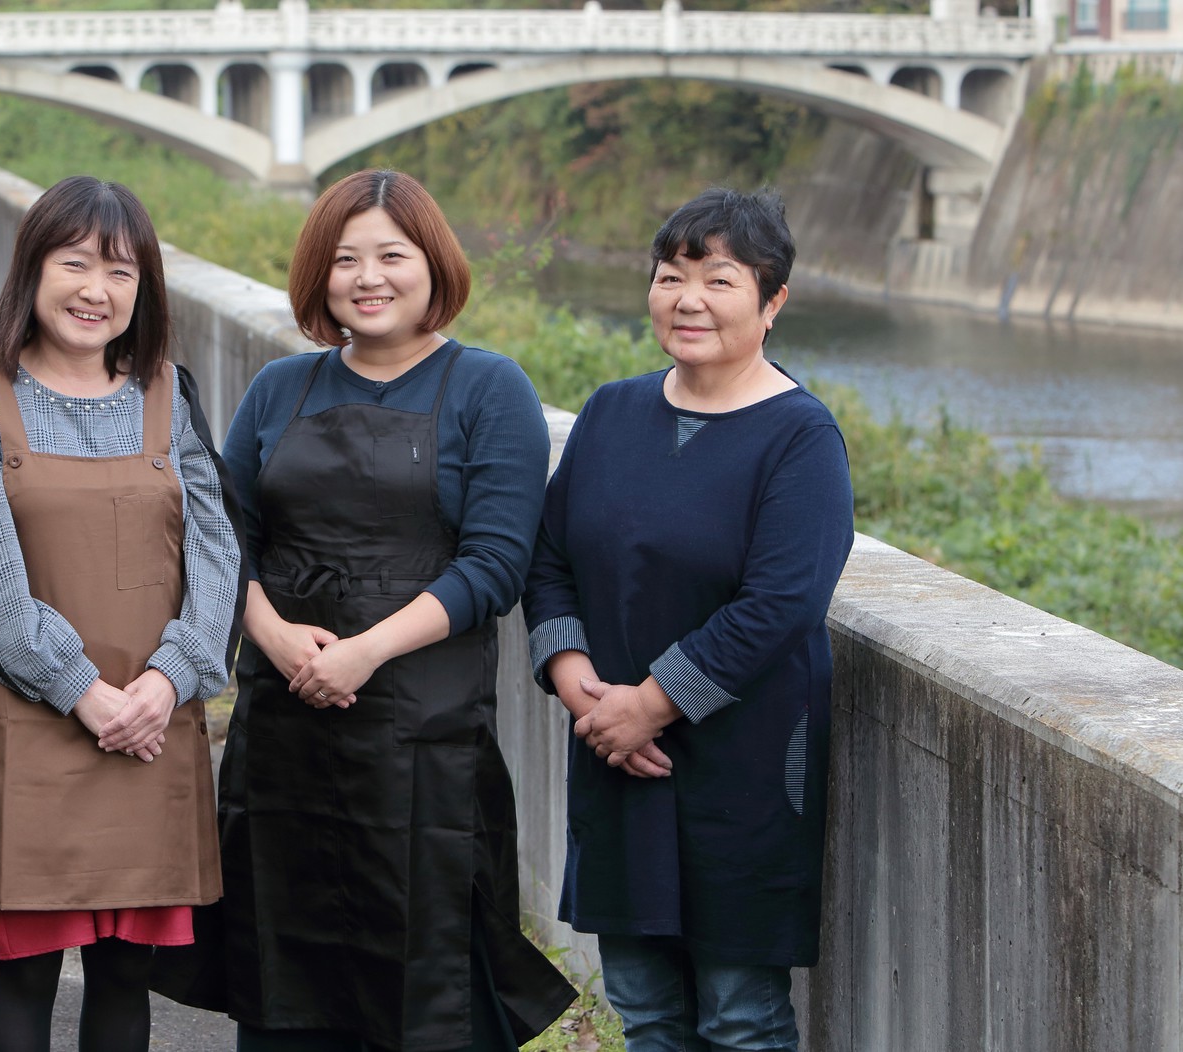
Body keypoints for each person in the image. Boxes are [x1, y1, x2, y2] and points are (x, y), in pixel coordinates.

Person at [201, 168, 577, 1051]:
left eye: (390, 256)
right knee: (282, 982)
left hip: (423, 739)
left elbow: (495, 565)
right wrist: (277, 637)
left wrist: (363, 653)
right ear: (317, 277)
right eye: (343, 260)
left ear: (432, 264)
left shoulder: (489, 388)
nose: (367, 278)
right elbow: (222, 541)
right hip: (283, 732)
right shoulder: (279, 389)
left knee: (426, 985)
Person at [521, 188, 854, 1052]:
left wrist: (652, 703)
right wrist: (576, 682)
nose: (689, 299)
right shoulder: (612, 412)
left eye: (720, 279)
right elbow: (550, 557)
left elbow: (782, 602)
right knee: (645, 1009)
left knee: (740, 1016)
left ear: (772, 301)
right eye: (671, 276)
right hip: (614, 755)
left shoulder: (800, 436)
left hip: (743, 765)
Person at [0, 174, 242, 1052]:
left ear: (145, 290)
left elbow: (218, 553)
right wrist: (87, 694)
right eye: (74, 264)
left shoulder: (170, 395)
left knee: (125, 972)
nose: (95, 291)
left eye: (121, 271)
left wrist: (166, 682)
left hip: (151, 720)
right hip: (32, 720)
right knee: (24, 967)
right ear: (32, 271)